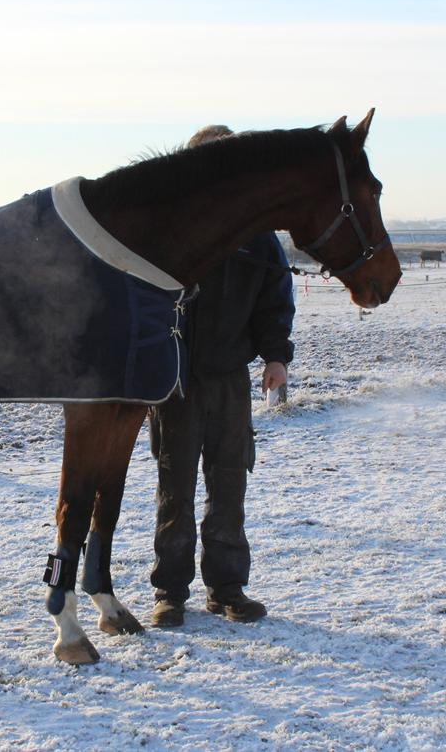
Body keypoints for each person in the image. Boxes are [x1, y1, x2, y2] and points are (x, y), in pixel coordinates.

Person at [148, 124, 295, 628]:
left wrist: (276, 357)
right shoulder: (169, 225)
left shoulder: (256, 234)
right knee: (176, 488)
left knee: (229, 486)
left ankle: (228, 590)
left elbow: (276, 297)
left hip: (230, 379)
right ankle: (169, 593)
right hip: (176, 381)